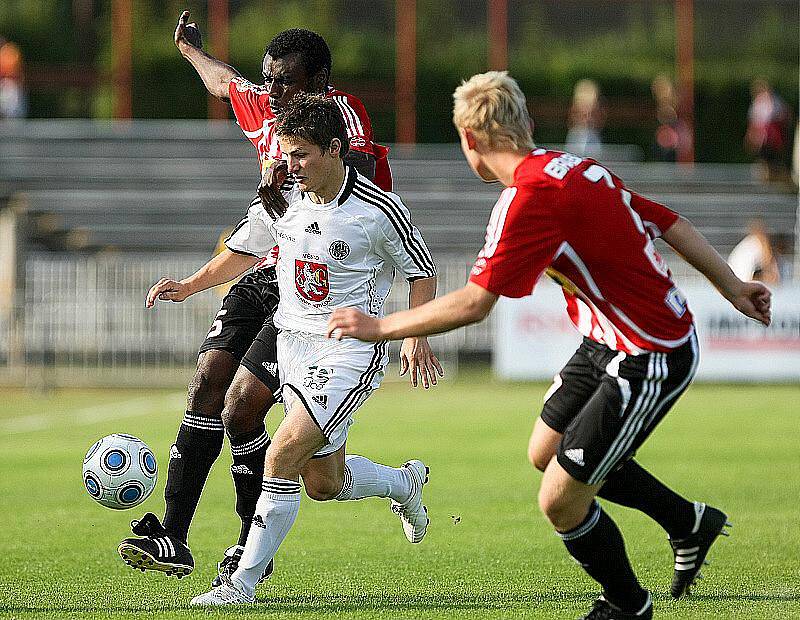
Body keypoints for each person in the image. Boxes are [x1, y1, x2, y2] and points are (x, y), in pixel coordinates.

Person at [327, 71, 773, 620]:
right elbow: (669, 222)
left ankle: (627, 605)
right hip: (606, 339)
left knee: (560, 500)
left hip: (650, 351)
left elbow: (476, 302)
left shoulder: (531, 199)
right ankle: (687, 522)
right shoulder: (572, 167)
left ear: (470, 141)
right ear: (525, 124)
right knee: (546, 452)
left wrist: (381, 327)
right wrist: (732, 287)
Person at [117, 13, 405, 586]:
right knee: (208, 385)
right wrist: (188, 51)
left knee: (247, 408)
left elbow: (363, 172)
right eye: (270, 80)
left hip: (319, 282)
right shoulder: (267, 103)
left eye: (286, 83)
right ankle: (175, 536)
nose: (272, 92)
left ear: (319, 84)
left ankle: (253, 548)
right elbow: (227, 84)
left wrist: (294, 178)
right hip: (266, 267)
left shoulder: (337, 117)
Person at [189, 93, 440, 606]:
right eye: (286, 153)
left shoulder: (379, 211)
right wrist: (188, 285)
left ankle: (241, 582)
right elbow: (243, 252)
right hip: (290, 342)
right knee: (323, 484)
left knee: (280, 452)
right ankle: (404, 485)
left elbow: (422, 272)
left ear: (333, 149)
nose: (290, 164)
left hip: (349, 351)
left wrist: (416, 334)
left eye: (300, 154)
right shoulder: (283, 197)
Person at [728, 219, 780, 284]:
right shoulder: (760, 243)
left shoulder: (749, 243)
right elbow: (768, 263)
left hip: (733, 277)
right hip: (742, 281)